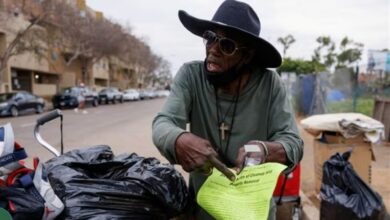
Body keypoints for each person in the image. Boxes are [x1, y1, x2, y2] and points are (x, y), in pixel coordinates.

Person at [152, 1, 304, 219]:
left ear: (247, 56)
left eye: (226, 45)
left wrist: (264, 150)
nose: (213, 49)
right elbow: (163, 123)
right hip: (201, 211)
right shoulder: (190, 76)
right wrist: (178, 139)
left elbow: (293, 143)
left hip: (253, 213)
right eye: (210, 37)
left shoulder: (270, 84)